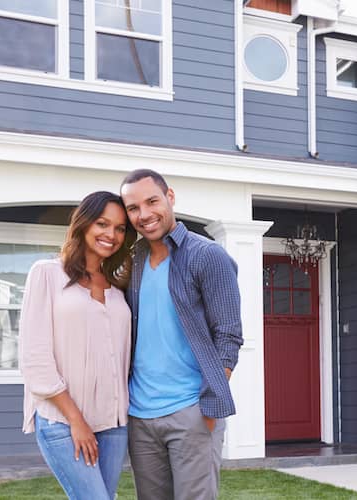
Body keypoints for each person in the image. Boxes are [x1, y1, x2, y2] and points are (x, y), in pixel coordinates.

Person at [119, 169, 243, 500]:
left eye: (152, 201)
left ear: (170, 197)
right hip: (140, 414)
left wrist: (209, 402)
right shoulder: (134, 260)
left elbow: (229, 336)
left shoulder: (207, 255)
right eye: (133, 208)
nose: (144, 215)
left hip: (191, 411)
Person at [19, 191, 136, 500]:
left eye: (120, 228)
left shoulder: (120, 287)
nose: (111, 235)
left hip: (114, 425)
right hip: (63, 421)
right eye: (102, 223)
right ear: (83, 224)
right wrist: (76, 420)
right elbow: (35, 358)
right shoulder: (46, 274)